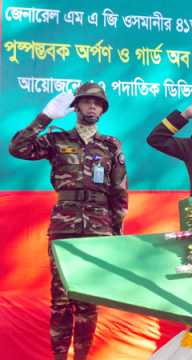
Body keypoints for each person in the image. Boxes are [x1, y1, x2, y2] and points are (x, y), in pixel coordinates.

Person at [9, 83, 128, 360]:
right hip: (65, 225)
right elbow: (18, 148)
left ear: (103, 110)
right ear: (76, 107)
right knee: (61, 301)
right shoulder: (58, 140)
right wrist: (45, 118)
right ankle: (60, 357)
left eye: (97, 103)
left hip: (99, 228)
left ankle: (82, 357)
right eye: (86, 102)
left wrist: (118, 230)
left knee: (88, 299)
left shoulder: (110, 145)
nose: (92, 107)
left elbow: (119, 189)